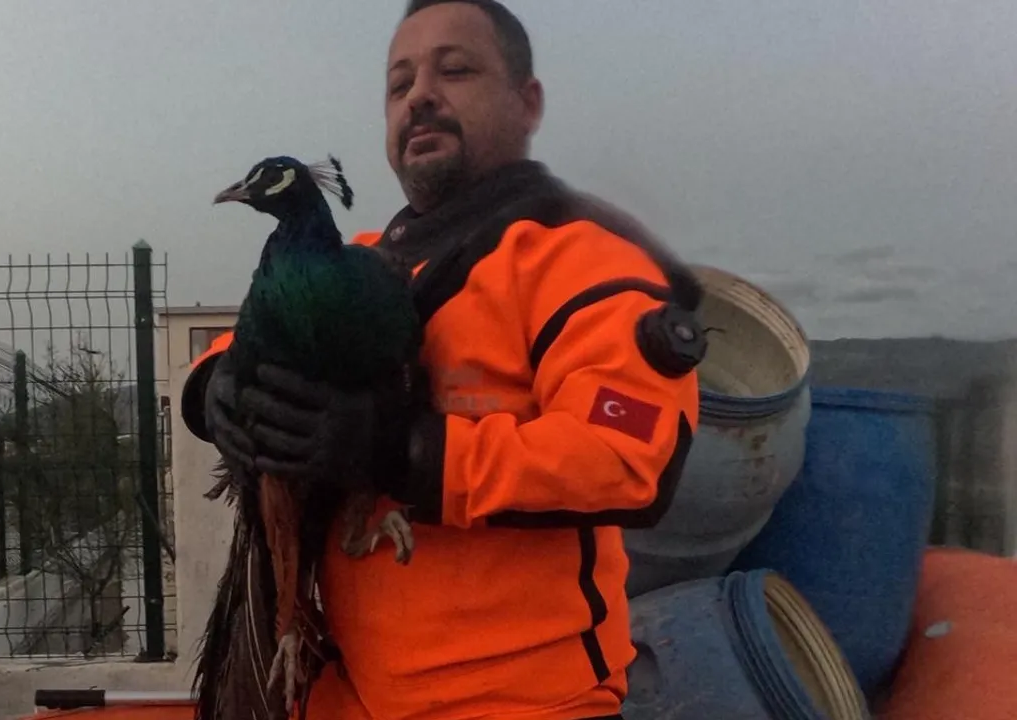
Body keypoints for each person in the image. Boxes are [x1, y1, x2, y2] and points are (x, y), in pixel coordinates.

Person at [180, 1, 706, 718]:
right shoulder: (367, 257)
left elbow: (625, 455)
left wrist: (402, 453)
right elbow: (245, 334)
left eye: (455, 71)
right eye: (399, 85)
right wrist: (214, 385)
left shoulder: (584, 263)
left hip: (520, 703)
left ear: (527, 102)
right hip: (350, 692)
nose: (420, 96)